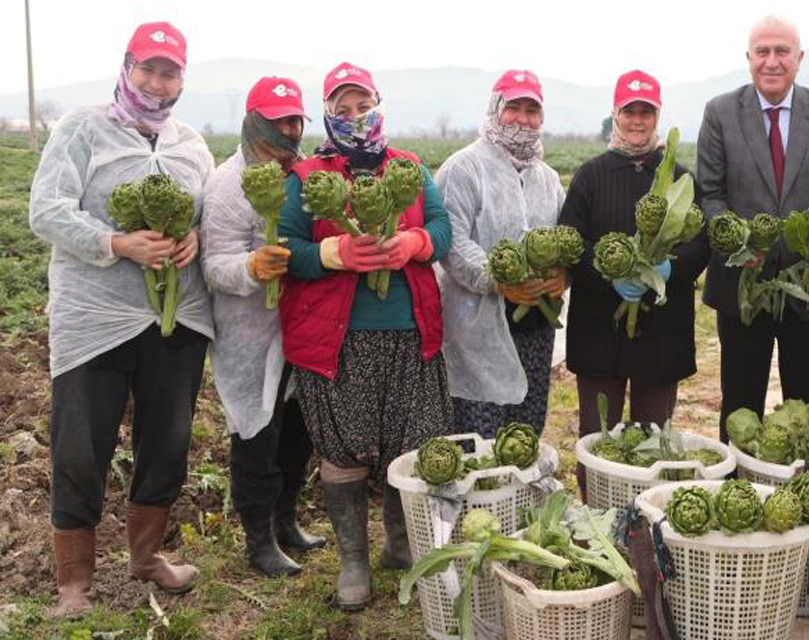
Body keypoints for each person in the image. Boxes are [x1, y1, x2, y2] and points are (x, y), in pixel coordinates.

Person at [29, 21, 214, 615]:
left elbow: (211, 212)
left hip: (176, 317)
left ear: (182, 78)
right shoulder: (83, 128)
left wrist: (196, 241)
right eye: (148, 68)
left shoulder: (190, 143)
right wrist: (116, 243)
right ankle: (74, 583)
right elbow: (46, 210)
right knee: (80, 445)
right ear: (126, 67)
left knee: (167, 441)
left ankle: (145, 557)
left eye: (170, 71)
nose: (157, 82)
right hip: (94, 316)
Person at [276, 62, 453, 610]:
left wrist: (416, 243)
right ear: (327, 115)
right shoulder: (308, 176)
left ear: (379, 104)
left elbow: (444, 228)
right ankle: (354, 560)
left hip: (411, 332)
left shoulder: (411, 167)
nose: (355, 117)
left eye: (363, 106)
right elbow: (286, 249)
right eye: (341, 109)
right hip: (339, 340)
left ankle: (402, 546)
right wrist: (335, 253)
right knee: (344, 447)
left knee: (412, 446)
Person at [697, 15, 809, 440]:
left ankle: (805, 498)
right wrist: (741, 244)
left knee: (807, 410)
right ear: (748, 59)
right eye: (762, 51)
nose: (771, 61)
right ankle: (737, 497)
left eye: (781, 51)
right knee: (740, 409)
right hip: (742, 290)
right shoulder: (720, 113)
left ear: (799, 59)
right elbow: (709, 194)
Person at [201, 76, 327, 578]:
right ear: (254, 120)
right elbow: (213, 265)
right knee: (256, 432)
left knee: (297, 430)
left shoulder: (300, 177)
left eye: (296, 119)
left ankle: (285, 522)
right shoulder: (229, 185)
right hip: (249, 333)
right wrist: (251, 268)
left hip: (298, 327)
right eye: (280, 120)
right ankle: (258, 541)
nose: (290, 129)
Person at [559, 70, 708, 493]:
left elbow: (701, 243)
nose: (637, 121)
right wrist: (611, 275)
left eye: (646, 112)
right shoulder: (590, 175)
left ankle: (644, 525)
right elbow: (572, 242)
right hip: (599, 327)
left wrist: (668, 270)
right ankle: (594, 517)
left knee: (653, 441)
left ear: (657, 116)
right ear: (615, 115)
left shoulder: (678, 178)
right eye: (630, 112)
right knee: (596, 435)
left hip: (661, 331)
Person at [437, 70, 565, 438]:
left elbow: (565, 238)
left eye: (532, 110)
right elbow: (453, 239)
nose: (523, 119)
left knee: (524, 429)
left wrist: (564, 274)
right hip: (476, 325)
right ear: (495, 108)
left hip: (535, 327)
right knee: (479, 432)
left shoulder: (549, 179)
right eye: (514, 108)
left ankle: (520, 494)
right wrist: (499, 280)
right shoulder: (464, 167)